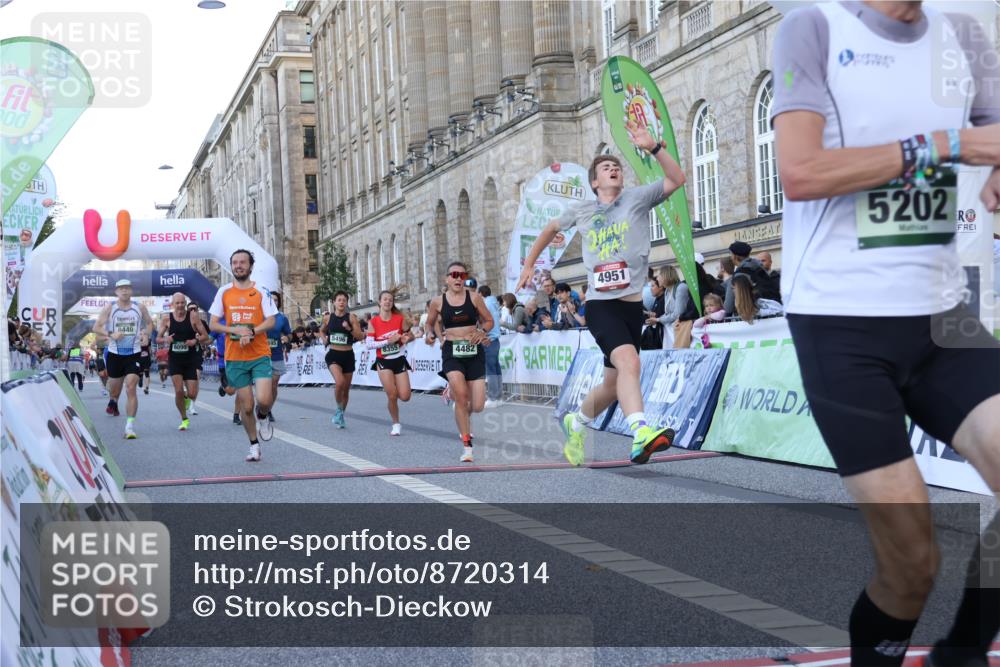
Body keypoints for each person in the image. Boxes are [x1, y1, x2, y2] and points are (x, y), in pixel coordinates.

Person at [773, 3, 1000, 666]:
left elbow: (992, 127)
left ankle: (959, 653)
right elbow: (800, 172)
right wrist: (941, 145)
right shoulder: (811, 28)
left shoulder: (963, 35)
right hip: (841, 325)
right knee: (911, 563)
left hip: (943, 316)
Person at [518, 119, 684, 465]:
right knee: (630, 362)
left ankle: (575, 422)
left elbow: (676, 180)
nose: (614, 170)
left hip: (632, 307)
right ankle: (641, 433)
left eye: (617, 167)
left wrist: (654, 148)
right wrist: (529, 264)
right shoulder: (583, 209)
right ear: (595, 181)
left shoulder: (637, 199)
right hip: (601, 305)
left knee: (612, 383)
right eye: (606, 168)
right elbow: (549, 228)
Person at [208, 249, 278, 462]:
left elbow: (271, 321)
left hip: (259, 354)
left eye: (242, 262)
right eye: (235, 262)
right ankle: (254, 445)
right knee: (246, 406)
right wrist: (235, 330)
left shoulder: (261, 291)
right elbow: (213, 323)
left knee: (264, 400)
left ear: (250, 266)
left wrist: (252, 331)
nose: (238, 266)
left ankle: (263, 416)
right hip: (235, 357)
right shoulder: (224, 292)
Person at [425, 261, 495, 462]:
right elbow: (430, 324)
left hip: (474, 352)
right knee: (462, 396)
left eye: (462, 276)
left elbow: (489, 321)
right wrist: (431, 335)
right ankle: (467, 446)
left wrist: (482, 331)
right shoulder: (438, 302)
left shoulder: (474, 298)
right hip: (452, 352)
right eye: (454, 275)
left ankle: (460, 407)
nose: (458, 279)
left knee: (479, 405)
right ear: (446, 278)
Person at [92, 279, 153, 439]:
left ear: (131, 291)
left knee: (131, 387)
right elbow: (96, 327)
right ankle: (113, 401)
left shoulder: (139, 307)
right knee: (115, 390)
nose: (124, 291)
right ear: (116, 292)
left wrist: (145, 334)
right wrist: (110, 334)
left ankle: (129, 426)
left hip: (133, 352)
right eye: (121, 289)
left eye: (127, 288)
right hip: (115, 354)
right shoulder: (109, 308)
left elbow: (149, 323)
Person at [158, 293, 210, 431]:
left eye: (182, 302)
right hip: (175, 359)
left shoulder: (193, 316)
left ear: (185, 303)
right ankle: (184, 418)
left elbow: (205, 336)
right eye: (177, 303)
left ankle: (186, 398)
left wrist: (195, 340)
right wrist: (165, 339)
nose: (180, 305)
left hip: (191, 359)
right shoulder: (166, 319)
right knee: (179, 390)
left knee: (192, 394)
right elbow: (157, 338)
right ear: (172, 304)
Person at [367, 287, 414, 436]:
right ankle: (396, 423)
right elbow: (369, 344)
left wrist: (407, 338)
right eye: (385, 299)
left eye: (390, 300)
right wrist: (387, 341)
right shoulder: (373, 322)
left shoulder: (399, 319)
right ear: (379, 302)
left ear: (392, 303)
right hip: (383, 361)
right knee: (392, 395)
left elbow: (410, 334)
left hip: (399, 359)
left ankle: (396, 393)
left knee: (405, 396)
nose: (387, 301)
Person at [322, 290, 364, 428]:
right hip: (333, 354)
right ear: (334, 302)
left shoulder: (351, 317)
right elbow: (321, 330)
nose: (341, 302)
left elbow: (360, 336)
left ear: (346, 303)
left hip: (348, 355)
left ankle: (340, 414)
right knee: (339, 382)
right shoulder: (328, 318)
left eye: (344, 300)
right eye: (339, 300)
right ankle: (339, 410)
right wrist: (324, 339)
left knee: (346, 389)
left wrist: (350, 328)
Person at [265, 291, 292, 423]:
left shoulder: (282, 318)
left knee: (274, 385)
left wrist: (287, 337)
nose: (274, 302)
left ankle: (268, 408)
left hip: (276, 355)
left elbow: (289, 334)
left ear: (279, 302)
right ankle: (263, 405)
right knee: (265, 384)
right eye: (271, 299)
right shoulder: (261, 315)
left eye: (276, 300)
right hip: (262, 355)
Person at [477, 285, 504, 408]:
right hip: (495, 339)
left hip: (489, 338)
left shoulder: (486, 305)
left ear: (481, 294)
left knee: (491, 369)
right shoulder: (494, 303)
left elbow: (485, 322)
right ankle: (498, 396)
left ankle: (493, 397)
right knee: (495, 368)